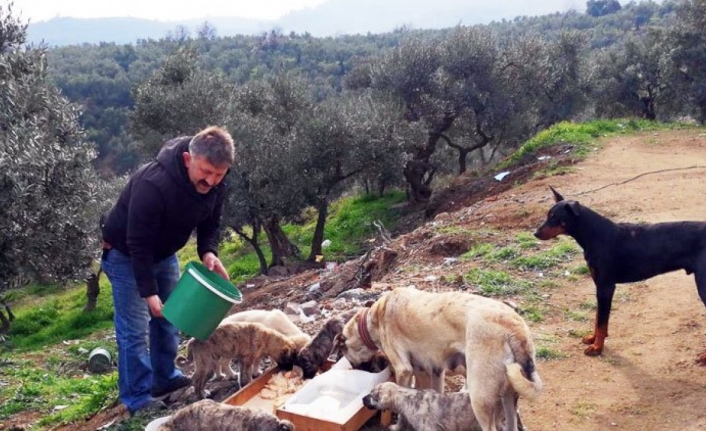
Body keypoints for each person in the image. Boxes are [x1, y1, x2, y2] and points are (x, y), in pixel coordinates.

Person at [100, 125, 234, 416]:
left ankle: (164, 378)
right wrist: (148, 292)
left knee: (168, 319)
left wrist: (208, 252)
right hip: (126, 255)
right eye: (206, 171)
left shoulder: (216, 182)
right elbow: (138, 242)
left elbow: (211, 222)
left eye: (218, 175)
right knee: (135, 331)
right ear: (188, 159)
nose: (211, 181)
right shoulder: (154, 183)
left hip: (164, 254)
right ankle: (137, 398)